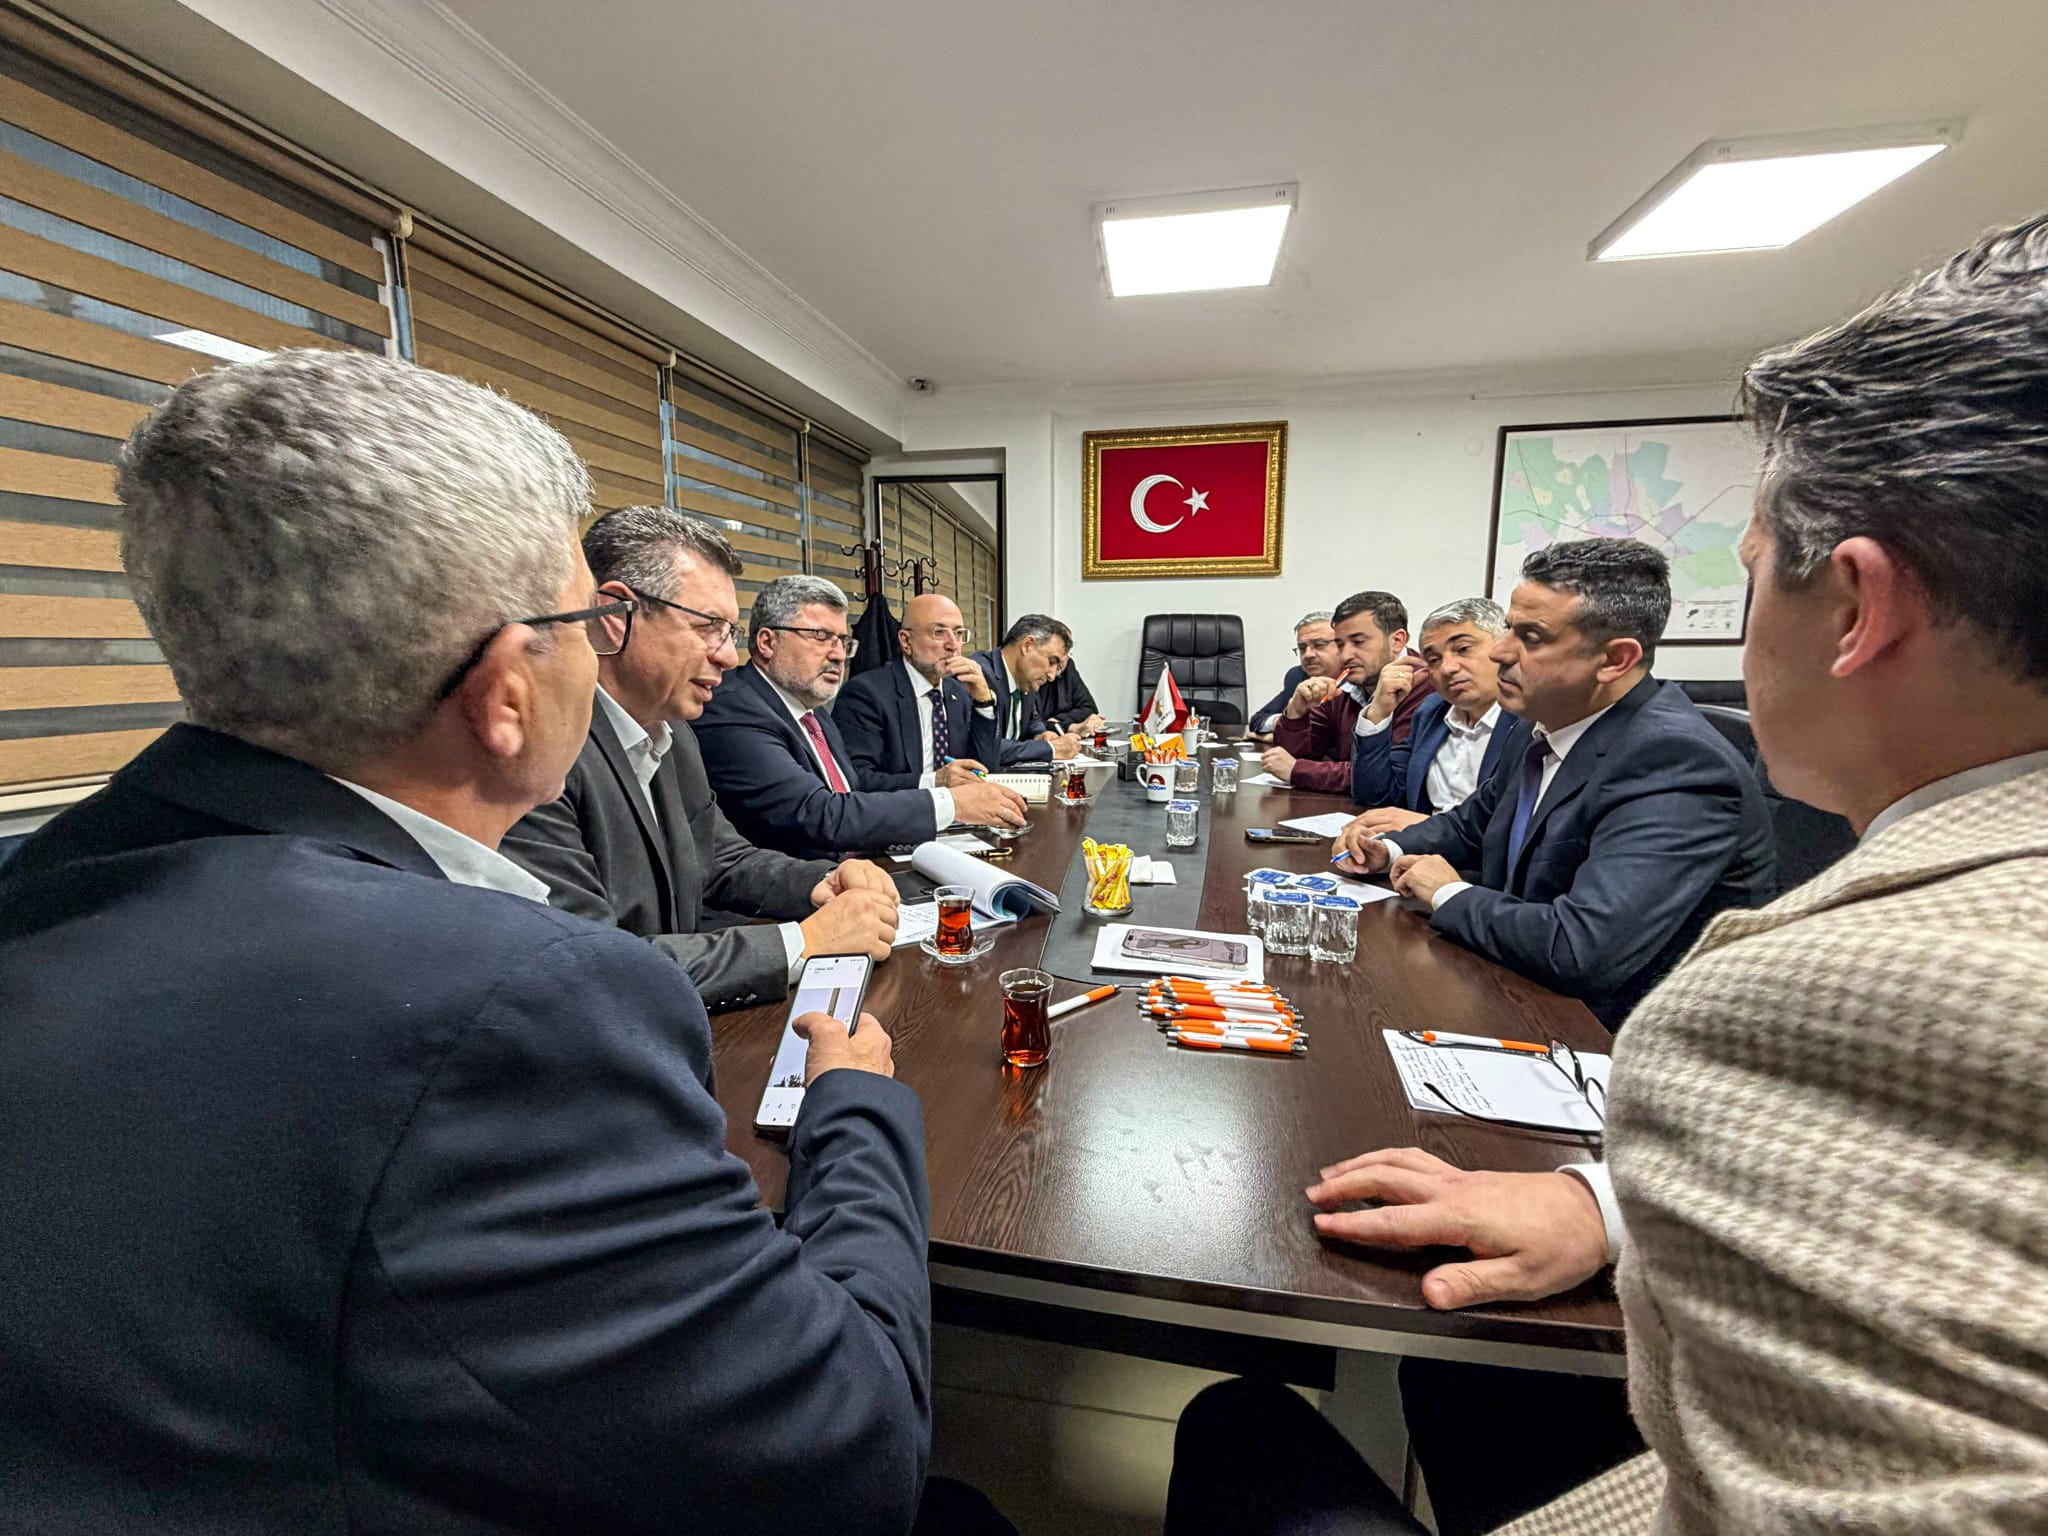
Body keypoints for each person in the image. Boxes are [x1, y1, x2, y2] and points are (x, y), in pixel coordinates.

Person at [1187, 212, 2048, 1536]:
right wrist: (1607, 1203)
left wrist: (1428, 886)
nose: (1500, 661)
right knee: (1453, 1379)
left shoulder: (1881, 976)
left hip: (1587, 1066)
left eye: (1752, 579)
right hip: (1598, 1176)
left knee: (1239, 1421)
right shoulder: (1542, 739)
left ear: (1856, 606)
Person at [0, 351, 936, 1532]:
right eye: (586, 622)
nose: (602, 652)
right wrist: (853, 1108)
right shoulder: (520, 1003)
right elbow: (848, 1457)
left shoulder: (47, 881)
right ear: (504, 694)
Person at [1335, 540, 1773, 1027]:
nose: (1500, 651)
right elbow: (1470, 826)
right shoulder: (1542, 724)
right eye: (1509, 630)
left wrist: (1447, 893)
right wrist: (1388, 849)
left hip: (1610, 1033)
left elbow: (1580, 947)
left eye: (1531, 636)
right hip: (1518, 984)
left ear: (1614, 659)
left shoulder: (1674, 761)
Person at [502, 506, 902, 1014]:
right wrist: (803, 943)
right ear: (613, 618)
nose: (729, 657)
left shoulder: (675, 732)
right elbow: (588, 966)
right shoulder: (541, 753)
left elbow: (721, 861)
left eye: (729, 632)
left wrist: (822, 883)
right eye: (709, 627)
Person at [695, 574, 1028, 857]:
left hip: (868, 858)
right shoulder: (734, 708)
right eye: (821, 637)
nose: (839, 655)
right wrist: (949, 802)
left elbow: (854, 795)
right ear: (767, 642)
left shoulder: (813, 712)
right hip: (796, 890)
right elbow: (818, 814)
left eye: (843, 640)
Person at [1345, 596, 1532, 827]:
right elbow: (1375, 794)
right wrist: (1379, 711)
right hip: (1416, 845)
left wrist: (1425, 826)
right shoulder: (1432, 712)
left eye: (1463, 649)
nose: (1447, 668)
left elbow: (1520, 828)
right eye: (1434, 659)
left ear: (1503, 647)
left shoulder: (1531, 720)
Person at [1266, 591, 1437, 791]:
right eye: (1340, 644)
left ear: (1397, 641)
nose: (1345, 655)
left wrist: (1299, 771)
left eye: (1358, 642)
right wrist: (1295, 714)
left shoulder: (1425, 684)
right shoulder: (1343, 681)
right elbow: (1287, 760)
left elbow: (1386, 777)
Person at [835, 591, 1003, 788]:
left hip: (959, 805)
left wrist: (983, 701)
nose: (953, 645)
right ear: (906, 642)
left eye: (958, 633)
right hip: (905, 806)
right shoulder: (866, 694)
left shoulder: (958, 692)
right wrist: (934, 782)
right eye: (939, 633)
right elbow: (859, 779)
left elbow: (983, 768)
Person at [970, 614, 1084, 766]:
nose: (1051, 676)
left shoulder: (1025, 679)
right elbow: (982, 747)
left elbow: (1032, 719)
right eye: (1051, 661)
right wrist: (1049, 749)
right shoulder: (979, 676)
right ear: (1027, 645)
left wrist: (1041, 734)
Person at [1248, 609, 1337, 737]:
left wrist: (1276, 737)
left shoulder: (1356, 680)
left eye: (1319, 645)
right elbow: (1257, 720)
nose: (1308, 655)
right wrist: (1284, 723)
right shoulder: (1298, 676)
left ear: (1341, 644)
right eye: (1302, 648)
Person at [1032, 653, 1105, 737]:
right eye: (1051, 661)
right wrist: (1071, 727)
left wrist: (1058, 720)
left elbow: (1089, 709)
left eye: (1066, 651)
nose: (1052, 677)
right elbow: (1027, 725)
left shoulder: (1066, 666)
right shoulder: (1028, 672)